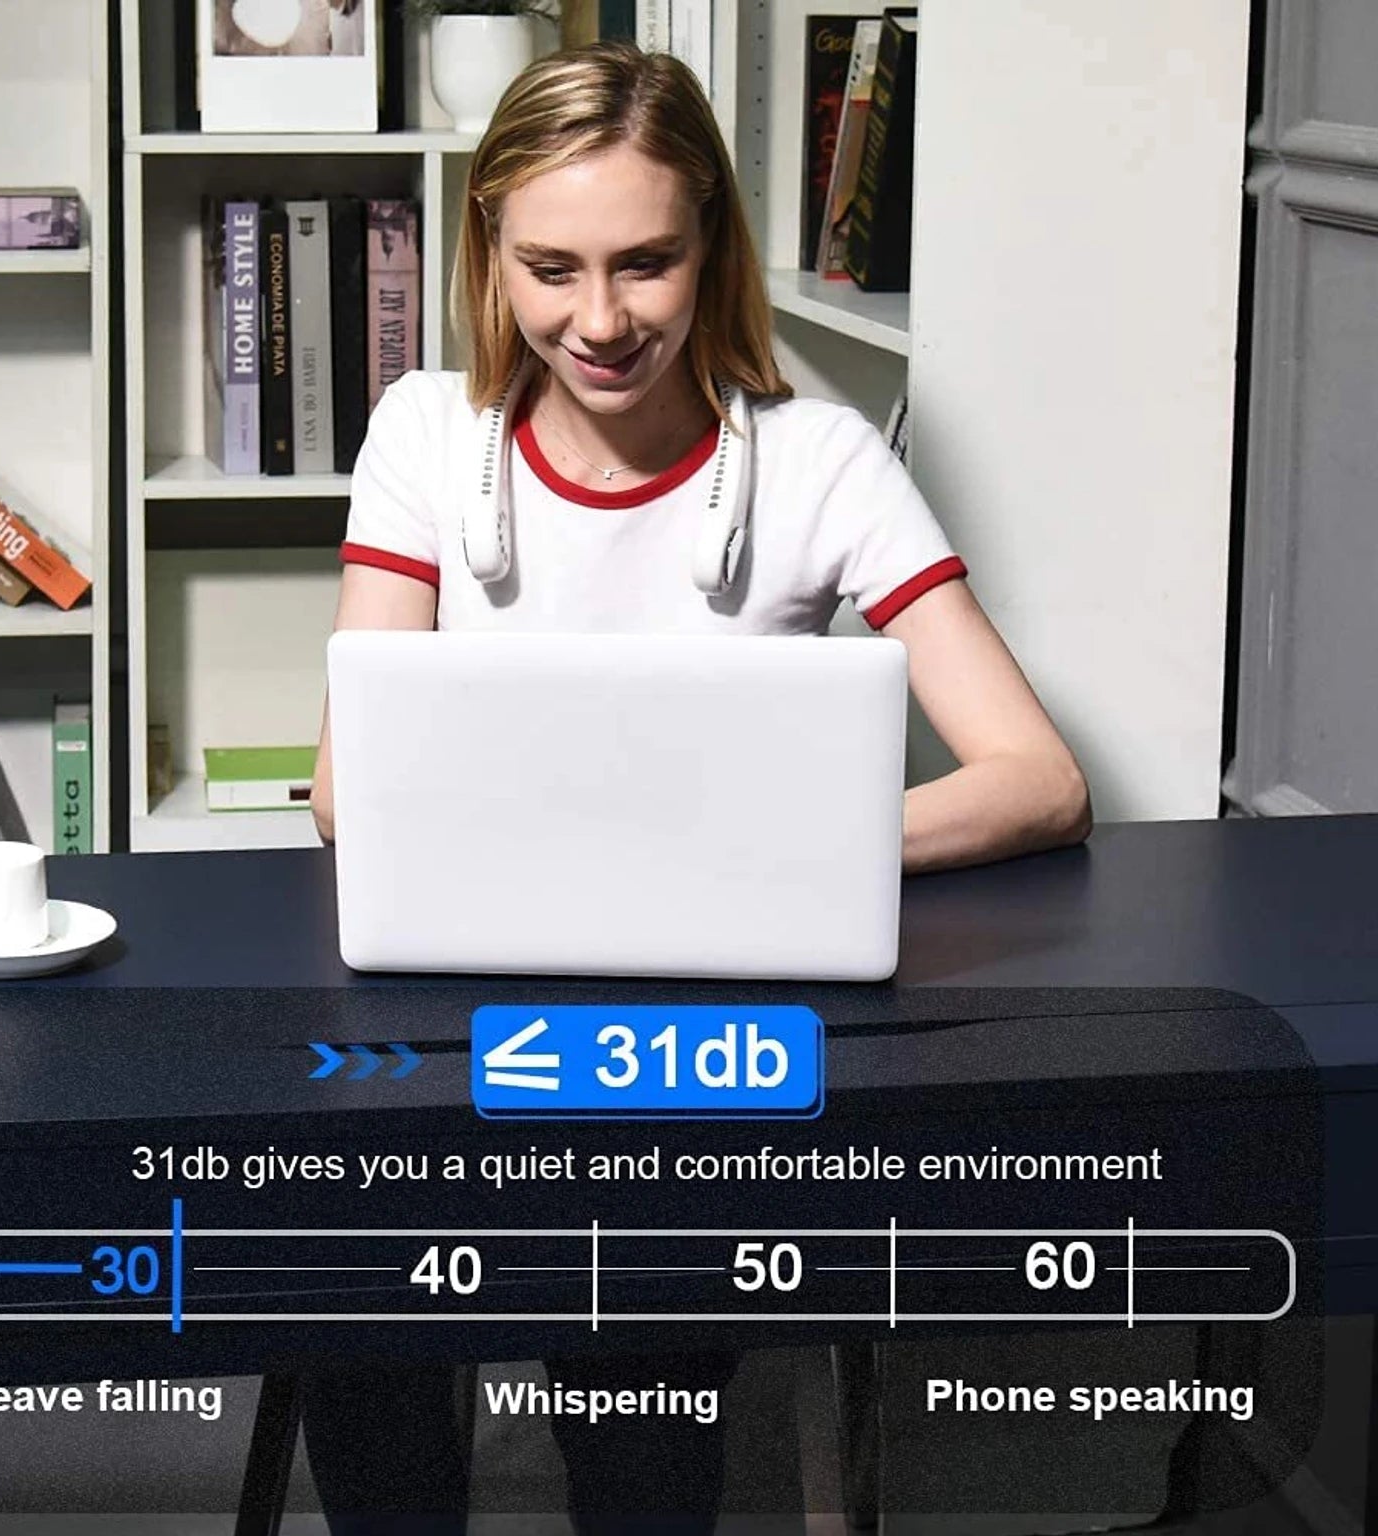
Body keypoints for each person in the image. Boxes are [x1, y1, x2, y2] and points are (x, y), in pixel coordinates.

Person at [303, 37, 1091, 1534]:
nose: (596, 322)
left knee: (644, 1375)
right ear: (491, 252)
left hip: (696, 1045)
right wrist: (675, 856)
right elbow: (353, 794)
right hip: (453, 1018)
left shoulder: (820, 464)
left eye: (646, 263)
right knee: (359, 1298)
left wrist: (760, 861)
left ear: (711, 245)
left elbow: (1038, 779)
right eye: (551, 267)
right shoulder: (421, 434)